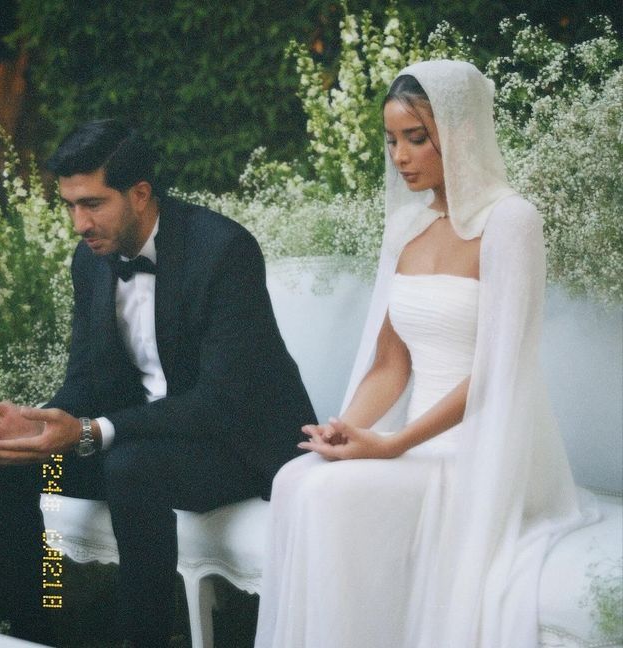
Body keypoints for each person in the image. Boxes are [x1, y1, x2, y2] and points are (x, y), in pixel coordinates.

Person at [254, 60, 596, 648]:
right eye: (391, 140)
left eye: (416, 138)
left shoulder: (511, 221)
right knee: (296, 479)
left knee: (326, 498)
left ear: (460, 134)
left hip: (476, 454)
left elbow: (499, 370)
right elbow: (391, 364)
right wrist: (348, 432)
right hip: (408, 446)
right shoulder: (407, 229)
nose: (400, 156)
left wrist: (392, 445)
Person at [0, 119, 316, 647]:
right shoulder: (89, 261)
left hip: (236, 443)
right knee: (7, 462)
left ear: (140, 194)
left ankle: (148, 638)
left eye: (92, 203)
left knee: (133, 467)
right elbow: (86, 378)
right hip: (143, 437)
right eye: (69, 205)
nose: (78, 222)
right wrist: (42, 419)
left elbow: (218, 401)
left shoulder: (222, 250)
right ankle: (31, 625)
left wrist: (92, 431)